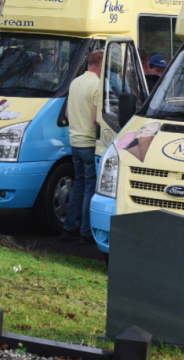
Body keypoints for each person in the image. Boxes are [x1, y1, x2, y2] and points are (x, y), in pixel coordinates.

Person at [62, 50, 103, 245]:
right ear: (101, 65)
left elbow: (68, 114)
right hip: (89, 143)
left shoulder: (75, 82)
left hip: (75, 142)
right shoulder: (98, 85)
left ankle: (70, 226)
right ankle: (86, 232)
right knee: (90, 187)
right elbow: (97, 118)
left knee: (78, 183)